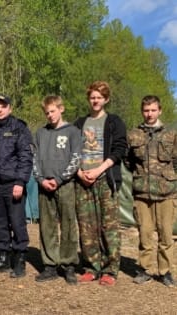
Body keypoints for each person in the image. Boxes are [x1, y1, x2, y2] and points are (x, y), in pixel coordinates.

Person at [74, 81, 127, 286]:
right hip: (83, 180)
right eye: (92, 97)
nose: (95, 100)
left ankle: (110, 269)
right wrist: (80, 172)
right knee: (87, 226)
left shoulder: (114, 122)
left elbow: (120, 149)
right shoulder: (79, 123)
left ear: (106, 99)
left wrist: (98, 170)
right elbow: (72, 151)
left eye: (99, 97)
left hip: (106, 178)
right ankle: (91, 266)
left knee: (109, 226)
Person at [125, 95, 176, 287]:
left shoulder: (171, 134)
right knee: (144, 233)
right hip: (142, 193)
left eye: (153, 110)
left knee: (165, 234)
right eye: (146, 110)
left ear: (160, 111)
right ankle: (144, 269)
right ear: (142, 111)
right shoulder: (134, 134)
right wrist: (140, 177)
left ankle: (165, 272)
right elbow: (128, 161)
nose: (150, 114)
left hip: (166, 192)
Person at [0, 94, 33, 278]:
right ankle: (3, 258)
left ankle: (19, 260)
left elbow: (26, 157)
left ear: (10, 108)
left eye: (3, 106)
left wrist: (20, 181)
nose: (0, 110)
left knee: (17, 223)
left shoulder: (19, 128)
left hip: (13, 184)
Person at [33, 95, 81, 285]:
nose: (50, 115)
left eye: (53, 111)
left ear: (61, 109)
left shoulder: (73, 132)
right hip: (44, 186)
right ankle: (50, 265)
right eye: (47, 113)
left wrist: (60, 179)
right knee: (47, 225)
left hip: (65, 185)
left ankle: (69, 265)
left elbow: (76, 158)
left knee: (68, 224)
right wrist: (41, 179)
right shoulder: (40, 133)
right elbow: (34, 159)